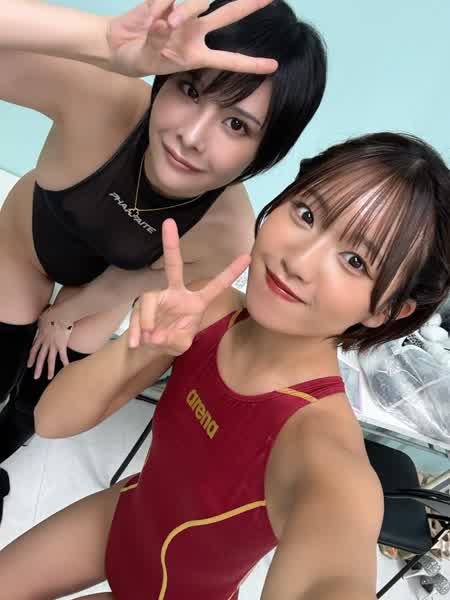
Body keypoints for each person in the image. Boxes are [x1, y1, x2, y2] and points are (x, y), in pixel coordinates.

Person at [1, 131, 449, 600]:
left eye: (355, 261)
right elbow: (51, 420)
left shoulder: (323, 451)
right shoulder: (209, 312)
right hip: (124, 513)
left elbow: (332, 566)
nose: (299, 261)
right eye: (307, 214)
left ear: (387, 311)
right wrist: (143, 349)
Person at [0, 0, 327, 464]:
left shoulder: (226, 231)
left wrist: (63, 316)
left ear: (265, 150)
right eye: (190, 89)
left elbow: (128, 283)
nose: (191, 136)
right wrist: (102, 41)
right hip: (24, 248)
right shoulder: (102, 98)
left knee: (35, 400)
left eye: (236, 124)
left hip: (100, 287)